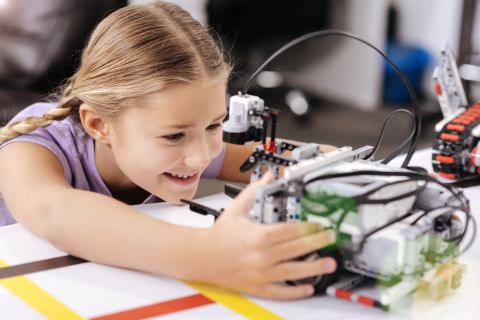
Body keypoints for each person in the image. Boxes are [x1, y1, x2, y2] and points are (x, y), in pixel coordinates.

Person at [0, 1, 337, 299]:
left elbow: (271, 157)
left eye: (213, 125)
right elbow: (57, 215)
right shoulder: (31, 149)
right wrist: (211, 255)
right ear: (100, 125)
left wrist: (350, 165)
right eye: (175, 136)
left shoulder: (179, 143)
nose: (202, 157)